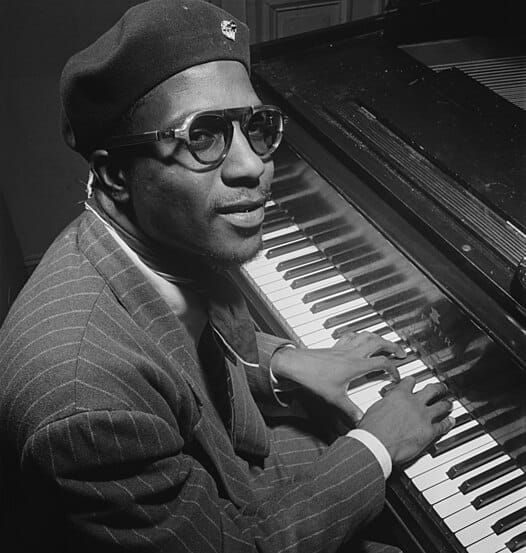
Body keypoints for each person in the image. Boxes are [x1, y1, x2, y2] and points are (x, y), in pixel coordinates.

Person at [0, 1, 455, 551]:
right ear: (116, 173)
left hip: (221, 456)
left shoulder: (149, 240)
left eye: (256, 126)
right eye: (203, 136)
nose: (253, 166)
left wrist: (282, 363)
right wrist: (377, 446)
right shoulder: (85, 408)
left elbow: (179, 340)